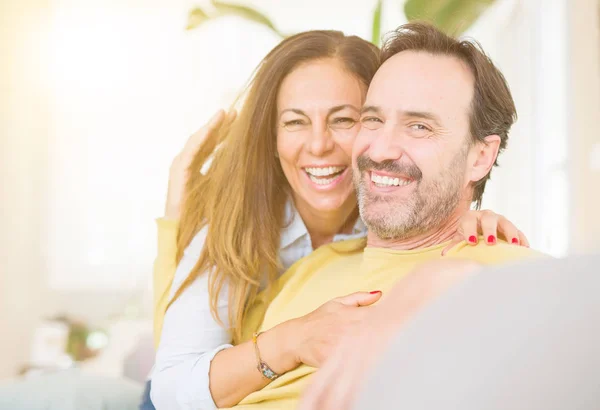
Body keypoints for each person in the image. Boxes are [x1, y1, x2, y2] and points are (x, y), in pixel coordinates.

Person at [149, 29, 528, 410]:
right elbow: (174, 380)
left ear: (481, 156)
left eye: (345, 120)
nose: (318, 145)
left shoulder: (456, 247)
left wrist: (465, 237)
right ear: (272, 138)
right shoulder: (242, 224)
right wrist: (175, 224)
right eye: (295, 122)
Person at [314, 254, 600, 410]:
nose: (380, 149)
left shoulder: (526, 278)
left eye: (422, 139)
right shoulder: (313, 264)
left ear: (481, 157)